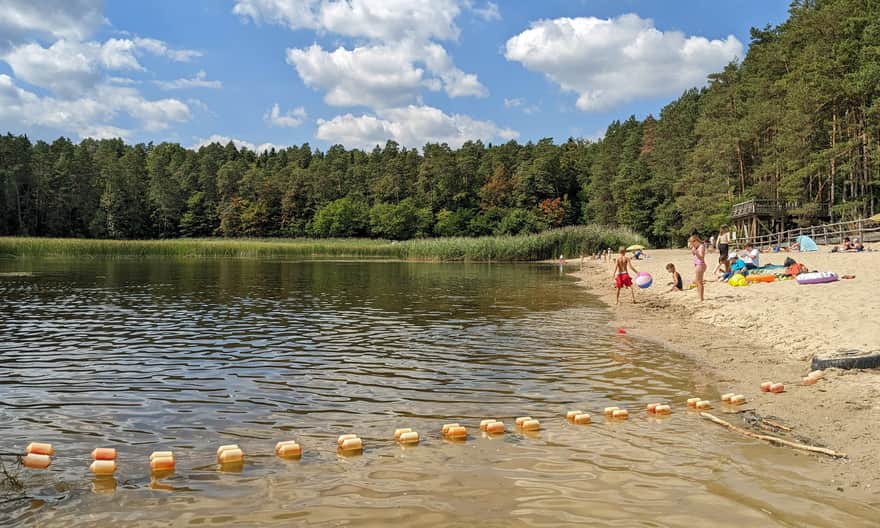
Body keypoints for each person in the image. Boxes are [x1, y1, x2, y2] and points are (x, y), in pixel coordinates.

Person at [689, 235, 706, 301]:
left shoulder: (701, 246)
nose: (692, 244)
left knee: (699, 282)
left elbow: (701, 257)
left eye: (692, 243)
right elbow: (694, 255)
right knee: (698, 282)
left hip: (700, 265)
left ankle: (701, 298)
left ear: (695, 241)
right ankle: (700, 297)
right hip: (698, 265)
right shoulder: (697, 247)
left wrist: (696, 252)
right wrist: (693, 250)